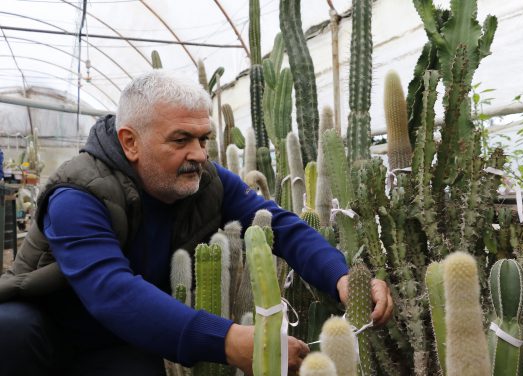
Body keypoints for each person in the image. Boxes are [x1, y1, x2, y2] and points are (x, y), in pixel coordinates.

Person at [0, 70, 393, 375]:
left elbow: (280, 224)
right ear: (130, 141)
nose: (199, 154)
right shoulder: (79, 192)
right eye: (181, 139)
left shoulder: (206, 181)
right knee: (11, 331)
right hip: (52, 332)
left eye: (203, 139)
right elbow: (111, 291)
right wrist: (231, 341)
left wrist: (341, 277)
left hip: (122, 341)